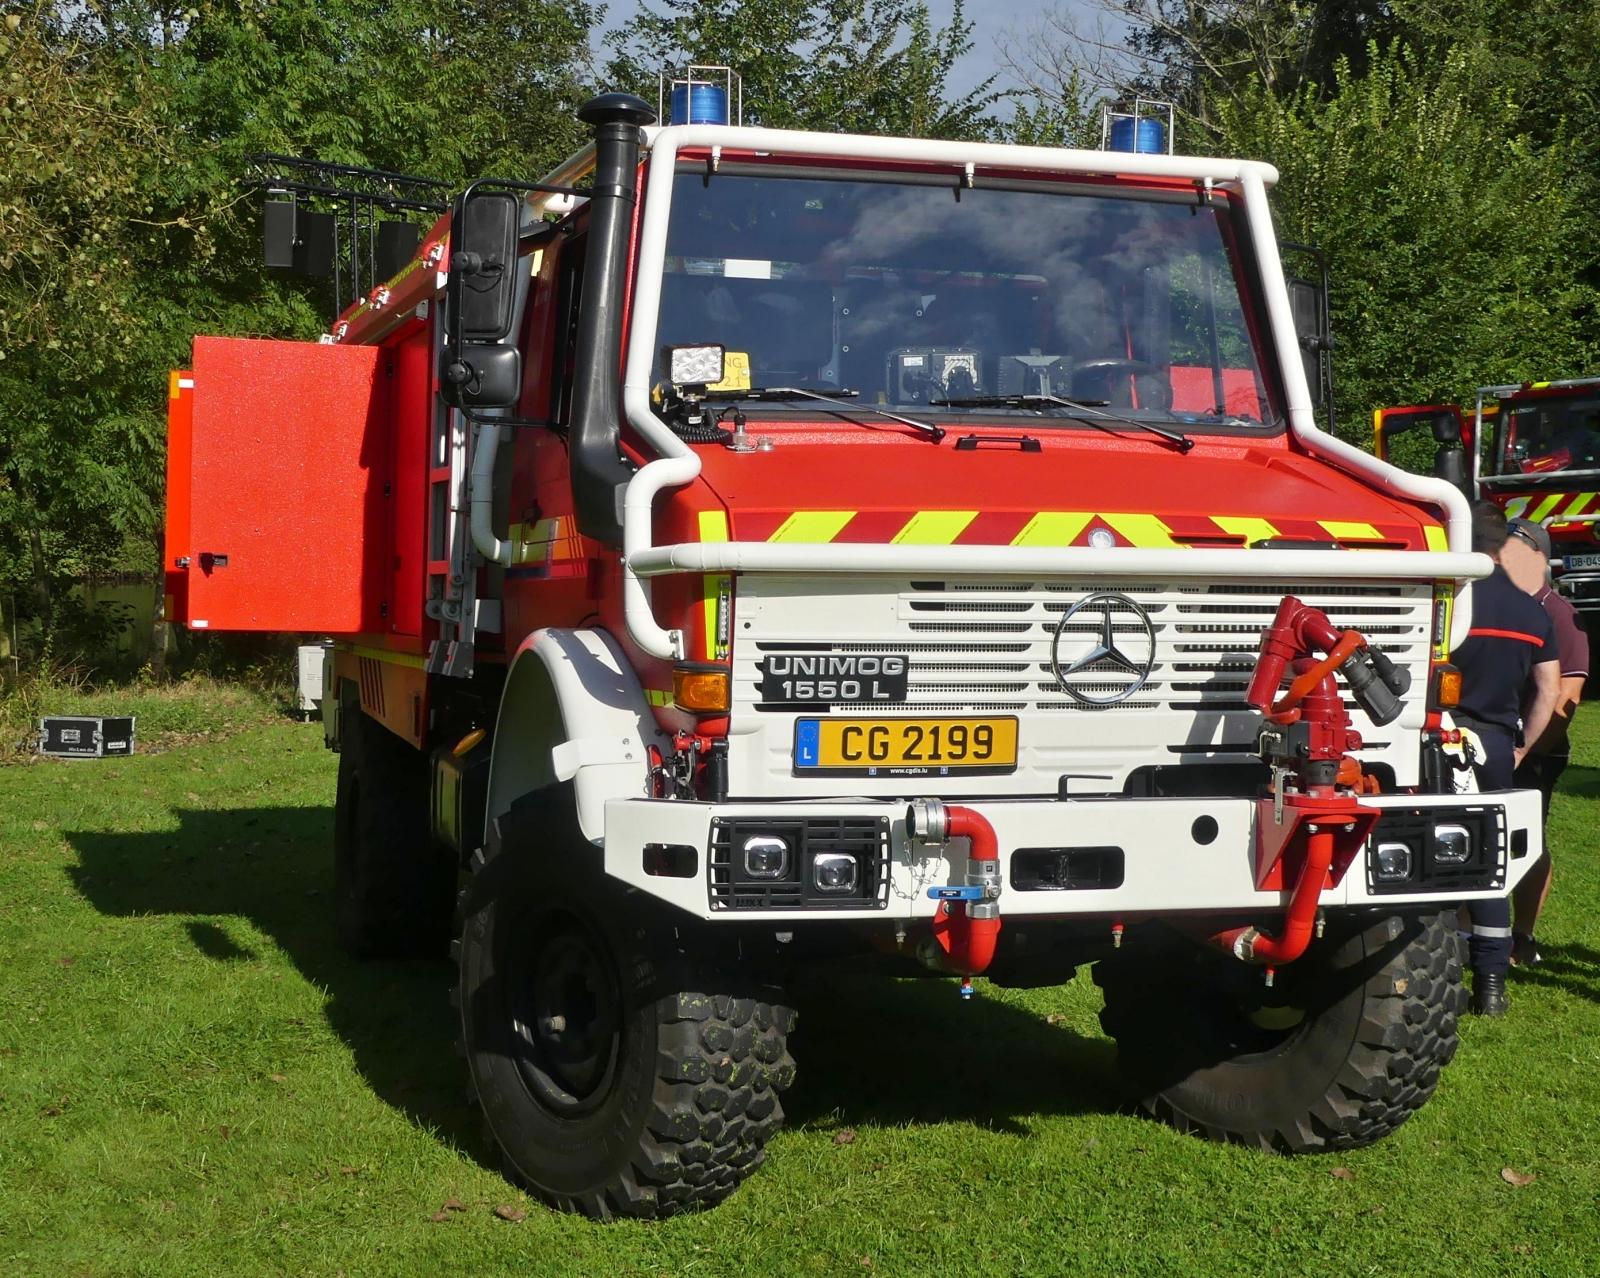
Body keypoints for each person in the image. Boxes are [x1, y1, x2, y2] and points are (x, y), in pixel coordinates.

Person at [1447, 502, 1561, 1015]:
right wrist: (1521, 748)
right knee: (1489, 858)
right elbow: (1548, 689)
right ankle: (1491, 983)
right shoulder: (1532, 610)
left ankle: (1442, 965)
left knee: (1433, 853)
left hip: (1442, 740)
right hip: (1495, 744)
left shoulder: (1450, 600)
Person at [1501, 517, 1588, 966]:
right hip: (1496, 743)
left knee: (1527, 841)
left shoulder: (1558, 615)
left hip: (1536, 751)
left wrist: (1528, 751)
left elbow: (1566, 696)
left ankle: (1523, 935)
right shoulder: (1500, 605)